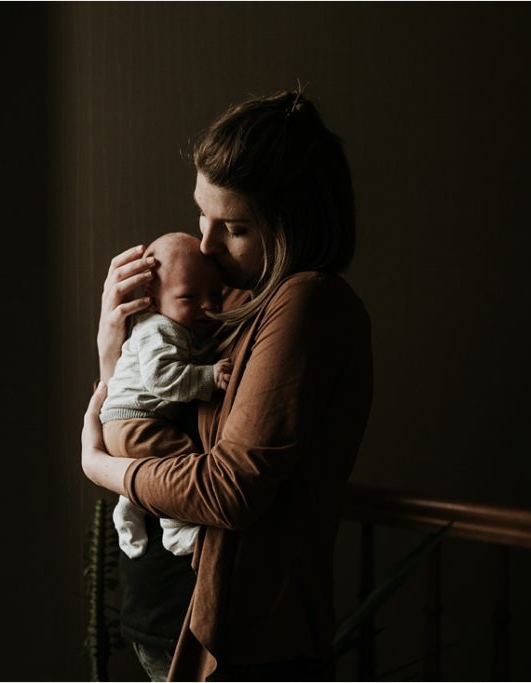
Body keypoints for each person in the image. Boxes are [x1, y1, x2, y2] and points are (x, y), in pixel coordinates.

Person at [81, 89, 373, 682]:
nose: (207, 245)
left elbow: (229, 491)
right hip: (163, 622)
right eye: (202, 216)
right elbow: (144, 408)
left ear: (293, 226)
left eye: (235, 227)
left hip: (238, 645)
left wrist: (101, 467)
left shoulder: (306, 303)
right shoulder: (230, 299)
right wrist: (113, 348)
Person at [101, 232, 232, 561]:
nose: (207, 306)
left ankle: (130, 505)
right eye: (189, 297)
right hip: (136, 423)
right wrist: (209, 375)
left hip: (125, 426)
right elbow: (162, 379)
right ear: (153, 298)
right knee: (181, 463)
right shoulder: (160, 329)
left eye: (215, 295)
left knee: (154, 464)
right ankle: (175, 528)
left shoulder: (180, 328)